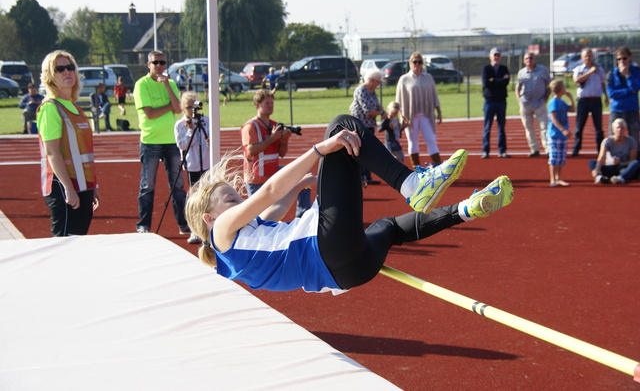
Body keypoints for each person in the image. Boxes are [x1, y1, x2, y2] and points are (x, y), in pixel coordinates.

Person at [185, 114, 514, 293]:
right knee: (343, 128)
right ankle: (413, 184)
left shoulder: (240, 249)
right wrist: (318, 152)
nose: (239, 200)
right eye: (229, 199)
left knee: (389, 227)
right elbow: (268, 193)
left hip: (349, 273)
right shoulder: (222, 233)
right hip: (326, 247)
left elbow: (275, 209)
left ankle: (467, 209)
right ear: (210, 218)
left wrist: (301, 183)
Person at [36, 50, 100, 236]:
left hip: (83, 185)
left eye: (71, 67)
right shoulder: (50, 108)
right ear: (50, 76)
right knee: (64, 243)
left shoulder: (77, 109)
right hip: (63, 186)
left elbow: (82, 151)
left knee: (78, 241)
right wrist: (68, 188)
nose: (67, 72)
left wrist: (92, 186)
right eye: (60, 69)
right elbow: (52, 153)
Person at [134, 50, 189, 235]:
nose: (159, 66)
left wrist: (167, 87)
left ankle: (183, 224)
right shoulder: (141, 85)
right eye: (155, 62)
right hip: (150, 141)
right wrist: (169, 108)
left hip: (171, 141)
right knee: (148, 185)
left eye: (162, 62)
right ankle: (144, 225)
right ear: (148, 64)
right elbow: (150, 113)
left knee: (178, 185)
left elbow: (179, 108)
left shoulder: (171, 84)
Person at [241, 89, 311, 218]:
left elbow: (282, 153)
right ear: (257, 104)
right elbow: (251, 151)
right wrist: (272, 139)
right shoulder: (251, 126)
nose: (270, 106)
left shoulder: (274, 125)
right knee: (261, 219)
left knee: (304, 175)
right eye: (267, 103)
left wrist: (285, 140)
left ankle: (303, 215)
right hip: (257, 179)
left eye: (272, 103)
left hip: (272, 172)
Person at [395, 52, 443, 168]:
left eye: (419, 62)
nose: (417, 64)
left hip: (426, 114)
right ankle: (416, 168)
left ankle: (438, 166)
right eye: (414, 62)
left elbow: (434, 95)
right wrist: (401, 115)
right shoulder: (404, 79)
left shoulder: (428, 77)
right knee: (413, 141)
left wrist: (439, 110)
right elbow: (399, 99)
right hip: (410, 116)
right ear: (410, 63)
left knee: (431, 139)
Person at [175, 91, 211, 244]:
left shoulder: (206, 121)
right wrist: (190, 129)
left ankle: (209, 230)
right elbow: (183, 145)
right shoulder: (180, 125)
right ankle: (195, 230)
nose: (192, 110)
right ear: (183, 108)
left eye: (195, 106)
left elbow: (211, 141)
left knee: (209, 197)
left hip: (207, 164)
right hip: (193, 165)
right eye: (189, 107)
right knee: (195, 198)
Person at [349, 68, 387, 185]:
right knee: (360, 150)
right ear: (372, 80)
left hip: (369, 124)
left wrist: (382, 110)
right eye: (378, 82)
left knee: (368, 150)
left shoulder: (371, 91)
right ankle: (359, 177)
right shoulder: (361, 90)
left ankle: (367, 176)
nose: (378, 84)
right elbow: (368, 111)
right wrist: (381, 113)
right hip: (360, 124)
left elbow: (377, 105)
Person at [571, 48, 609, 156]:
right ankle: (576, 149)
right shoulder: (579, 69)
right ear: (582, 58)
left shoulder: (599, 69)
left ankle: (600, 149)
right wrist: (590, 72)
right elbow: (577, 80)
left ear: (593, 57)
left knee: (598, 128)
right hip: (583, 101)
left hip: (596, 100)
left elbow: (603, 83)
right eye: (585, 56)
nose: (588, 58)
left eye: (590, 56)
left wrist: (606, 96)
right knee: (579, 127)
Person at [515, 52, 551, 157]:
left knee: (544, 127)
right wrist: (519, 101)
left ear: (535, 59)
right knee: (529, 128)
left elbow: (550, 85)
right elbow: (517, 88)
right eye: (527, 59)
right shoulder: (521, 73)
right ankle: (534, 149)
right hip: (526, 104)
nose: (529, 60)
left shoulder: (543, 70)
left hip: (540, 103)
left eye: (531, 58)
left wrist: (546, 98)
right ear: (524, 61)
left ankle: (548, 148)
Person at [607, 46, 640, 145]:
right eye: (619, 59)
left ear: (630, 58)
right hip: (616, 110)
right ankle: (613, 158)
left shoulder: (636, 72)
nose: (622, 61)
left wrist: (627, 75)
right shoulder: (612, 74)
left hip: (631, 109)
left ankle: (635, 158)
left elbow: (635, 88)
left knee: (634, 137)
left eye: (624, 58)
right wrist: (628, 91)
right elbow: (611, 94)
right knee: (613, 137)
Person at [481, 47, 511, 158]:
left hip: (501, 101)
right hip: (489, 101)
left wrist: (494, 80)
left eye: (498, 55)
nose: (496, 57)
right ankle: (485, 151)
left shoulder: (504, 68)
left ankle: (502, 151)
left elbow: (506, 82)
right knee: (487, 127)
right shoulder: (486, 69)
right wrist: (500, 81)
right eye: (494, 55)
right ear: (490, 56)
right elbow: (486, 83)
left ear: (500, 57)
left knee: (501, 127)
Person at [590, 118, 639, 184]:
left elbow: (632, 160)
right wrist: (597, 169)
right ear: (613, 130)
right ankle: (600, 177)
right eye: (618, 128)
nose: (620, 130)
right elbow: (601, 157)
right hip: (611, 167)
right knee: (592, 162)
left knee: (635, 163)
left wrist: (620, 163)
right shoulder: (607, 141)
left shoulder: (631, 141)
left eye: (622, 128)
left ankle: (621, 178)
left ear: (625, 130)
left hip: (624, 168)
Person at [546, 80, 575, 187]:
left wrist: (571, 98)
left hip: (562, 136)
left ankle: (558, 178)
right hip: (554, 134)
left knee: (561, 158)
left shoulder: (562, 102)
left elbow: (572, 109)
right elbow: (553, 118)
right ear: (561, 90)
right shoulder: (553, 102)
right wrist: (563, 129)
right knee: (554, 157)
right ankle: (552, 179)